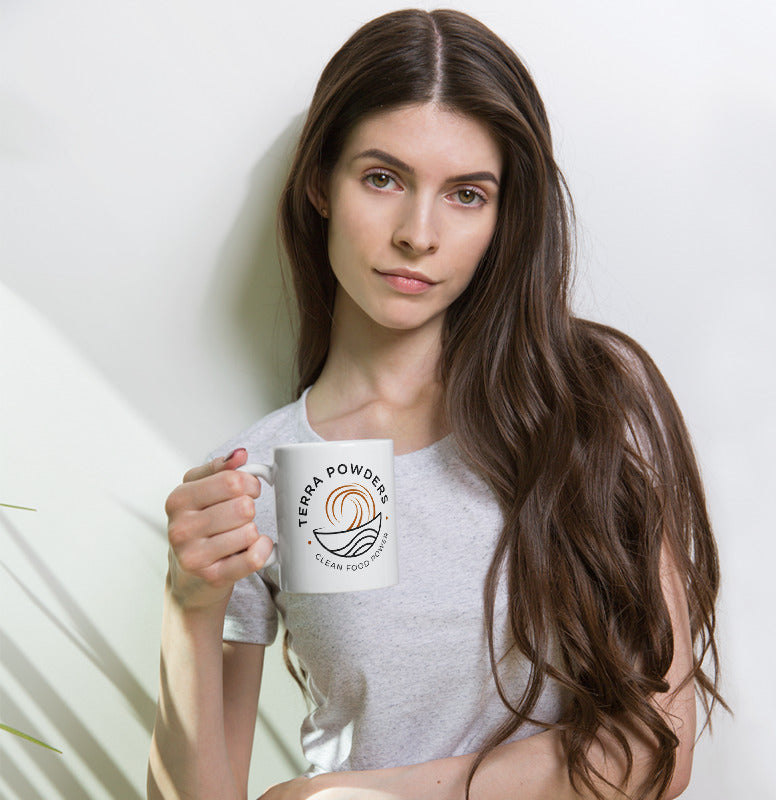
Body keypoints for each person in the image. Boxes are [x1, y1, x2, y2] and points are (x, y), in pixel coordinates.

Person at [147, 9, 725, 800]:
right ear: (320, 182)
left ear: (503, 215)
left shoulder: (591, 398)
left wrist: (347, 797)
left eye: (465, 194)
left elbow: (654, 748)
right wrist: (190, 609)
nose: (419, 234)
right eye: (382, 178)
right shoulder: (267, 477)